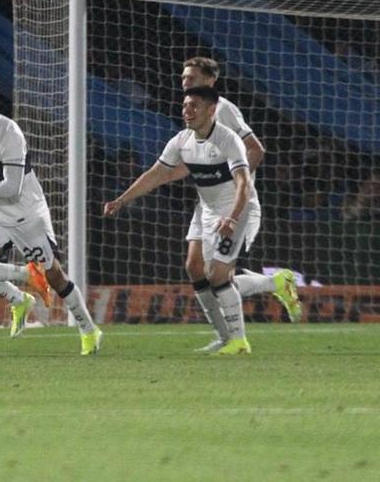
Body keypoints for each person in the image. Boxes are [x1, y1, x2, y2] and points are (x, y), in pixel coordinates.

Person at [0, 79, 101, 352]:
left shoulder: (10, 134)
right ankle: (20, 296)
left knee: (55, 277)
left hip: (25, 214)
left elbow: (12, 186)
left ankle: (89, 330)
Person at [104, 86, 257, 355]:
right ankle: (230, 331)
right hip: (208, 211)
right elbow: (156, 174)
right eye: (185, 106)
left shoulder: (228, 140)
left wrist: (232, 218)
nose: (187, 111)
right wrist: (122, 200)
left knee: (218, 274)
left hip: (235, 209)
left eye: (194, 106)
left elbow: (244, 184)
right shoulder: (181, 141)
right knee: (200, 270)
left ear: (211, 111)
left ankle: (239, 341)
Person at [181, 57, 301, 328]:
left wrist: (234, 184)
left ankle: (267, 291)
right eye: (183, 77)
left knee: (218, 276)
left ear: (210, 80)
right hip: (207, 204)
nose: (185, 82)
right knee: (195, 267)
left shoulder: (222, 109)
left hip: (231, 203)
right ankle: (273, 285)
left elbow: (256, 149)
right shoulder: (191, 110)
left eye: (192, 78)